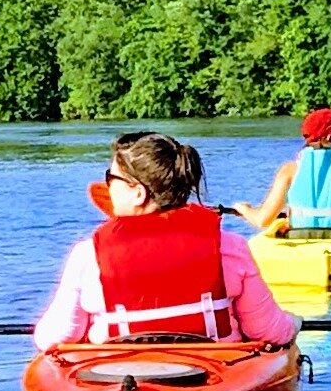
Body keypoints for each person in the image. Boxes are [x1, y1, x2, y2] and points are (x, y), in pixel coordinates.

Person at [33, 131, 299, 351]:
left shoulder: (88, 255)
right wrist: (295, 323)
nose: (107, 187)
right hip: (215, 371)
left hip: (114, 375)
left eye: (110, 178)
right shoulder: (229, 247)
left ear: (138, 193)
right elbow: (269, 331)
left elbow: (54, 337)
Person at [232, 108, 331, 236]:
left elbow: (262, 220)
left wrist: (245, 210)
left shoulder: (289, 171)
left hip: (301, 246)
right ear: (330, 138)